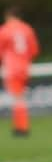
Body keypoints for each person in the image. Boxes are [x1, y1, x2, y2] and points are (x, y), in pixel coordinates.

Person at [0, 7, 40, 137]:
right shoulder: (27, 29)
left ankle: (21, 128)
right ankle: (20, 127)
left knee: (17, 99)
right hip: (25, 67)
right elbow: (34, 50)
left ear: (9, 16)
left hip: (12, 68)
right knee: (20, 97)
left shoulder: (5, 30)